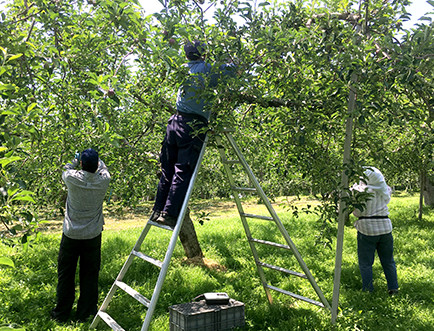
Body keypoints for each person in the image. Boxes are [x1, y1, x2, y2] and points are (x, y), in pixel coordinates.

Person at [150, 40, 235, 227]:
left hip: (174, 123)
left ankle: (157, 210)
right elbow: (231, 71)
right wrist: (231, 56)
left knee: (167, 170)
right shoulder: (206, 69)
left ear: (186, 55)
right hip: (192, 125)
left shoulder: (182, 68)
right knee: (182, 170)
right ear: (203, 54)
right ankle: (169, 214)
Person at [51, 148, 111, 322]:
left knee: (66, 274)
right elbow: (103, 168)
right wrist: (97, 161)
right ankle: (85, 312)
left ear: (82, 164)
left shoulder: (71, 178)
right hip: (92, 235)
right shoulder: (104, 180)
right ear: (97, 164)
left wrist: (75, 160)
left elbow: (67, 167)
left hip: (71, 235)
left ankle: (61, 313)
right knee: (90, 274)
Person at [352, 166, 398, 294]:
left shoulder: (358, 193)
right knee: (388, 260)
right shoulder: (384, 190)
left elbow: (356, 212)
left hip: (367, 229)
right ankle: (393, 288)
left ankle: (368, 290)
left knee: (366, 263)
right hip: (385, 228)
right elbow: (386, 188)